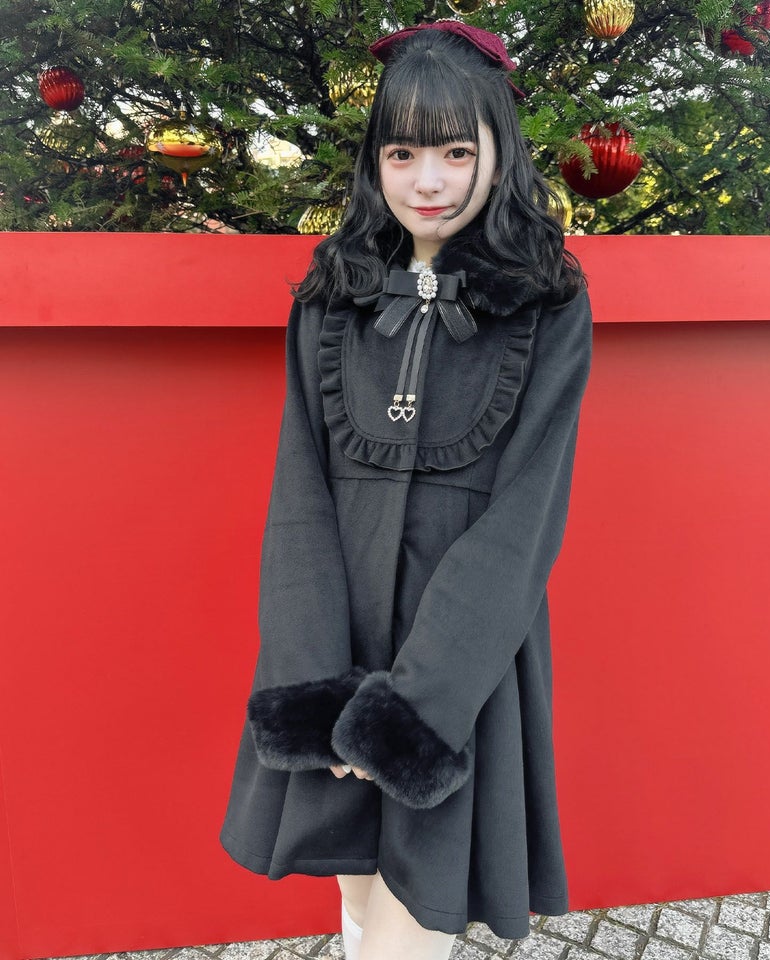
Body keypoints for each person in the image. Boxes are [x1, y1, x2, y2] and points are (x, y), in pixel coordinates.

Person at [219, 20, 592, 960]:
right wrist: (320, 687)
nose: (428, 180)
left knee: (409, 931)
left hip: (457, 669)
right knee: (356, 906)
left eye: (456, 152)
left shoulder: (548, 300)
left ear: (498, 151)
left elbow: (525, 520)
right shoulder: (331, 293)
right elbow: (298, 494)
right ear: (375, 161)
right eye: (402, 153)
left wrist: (415, 709)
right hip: (335, 645)